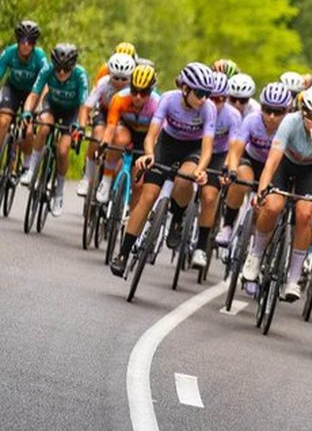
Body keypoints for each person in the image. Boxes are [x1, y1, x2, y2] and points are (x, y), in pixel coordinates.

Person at [110, 62, 216, 277]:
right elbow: (151, 136)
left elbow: (207, 148)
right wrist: (149, 154)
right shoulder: (168, 99)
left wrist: (200, 169)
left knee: (185, 179)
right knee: (148, 196)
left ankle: (177, 219)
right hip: (167, 145)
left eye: (207, 93)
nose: (204, 98)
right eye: (199, 93)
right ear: (185, 89)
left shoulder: (208, 108)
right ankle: (123, 252)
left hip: (193, 149)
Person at [242, 82, 312, 301]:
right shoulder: (290, 121)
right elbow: (272, 161)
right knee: (273, 206)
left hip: (310, 169)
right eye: (310, 115)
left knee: (305, 214)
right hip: (285, 163)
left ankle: (293, 278)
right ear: (302, 110)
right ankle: (255, 255)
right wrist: (262, 190)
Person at [216, 82, 293, 247]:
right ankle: (227, 225)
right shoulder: (252, 120)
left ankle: (258, 235)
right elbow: (236, 150)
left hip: (275, 168)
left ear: (287, 111)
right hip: (252, 160)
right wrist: (232, 170)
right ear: (261, 107)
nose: (271, 116)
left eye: (278, 111)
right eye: (267, 109)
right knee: (241, 178)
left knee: (269, 204)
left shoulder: (290, 126)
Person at [20, 43, 89, 216]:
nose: (62, 73)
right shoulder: (47, 70)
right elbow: (34, 94)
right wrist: (27, 111)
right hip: (51, 105)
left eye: (66, 70)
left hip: (72, 112)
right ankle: (31, 170)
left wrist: (80, 127)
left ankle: (59, 191)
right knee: (44, 127)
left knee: (63, 150)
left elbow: (83, 105)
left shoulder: (80, 75)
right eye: (58, 69)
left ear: (73, 67)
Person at [185, 72, 241, 268]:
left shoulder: (233, 115)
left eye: (221, 99)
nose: (215, 103)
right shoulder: (197, 107)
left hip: (218, 155)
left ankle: (201, 247)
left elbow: (233, 147)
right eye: (211, 97)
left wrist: (229, 168)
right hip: (195, 149)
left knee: (209, 197)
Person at [95, 63, 160, 202]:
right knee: (119, 138)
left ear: (151, 91)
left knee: (138, 184)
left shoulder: (157, 104)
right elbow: (111, 127)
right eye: (134, 91)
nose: (138, 97)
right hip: (126, 128)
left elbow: (156, 136)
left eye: (143, 93)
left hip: (146, 136)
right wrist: (104, 144)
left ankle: (131, 213)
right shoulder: (119, 98)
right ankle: (106, 179)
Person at [0, 21, 46, 172]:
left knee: (29, 130)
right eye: (23, 41)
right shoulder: (9, 52)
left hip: (32, 93)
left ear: (34, 43)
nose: (26, 45)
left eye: (30, 42)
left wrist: (41, 105)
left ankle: (26, 165)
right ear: (18, 40)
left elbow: (45, 82)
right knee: (3, 120)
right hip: (12, 89)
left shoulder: (39, 56)